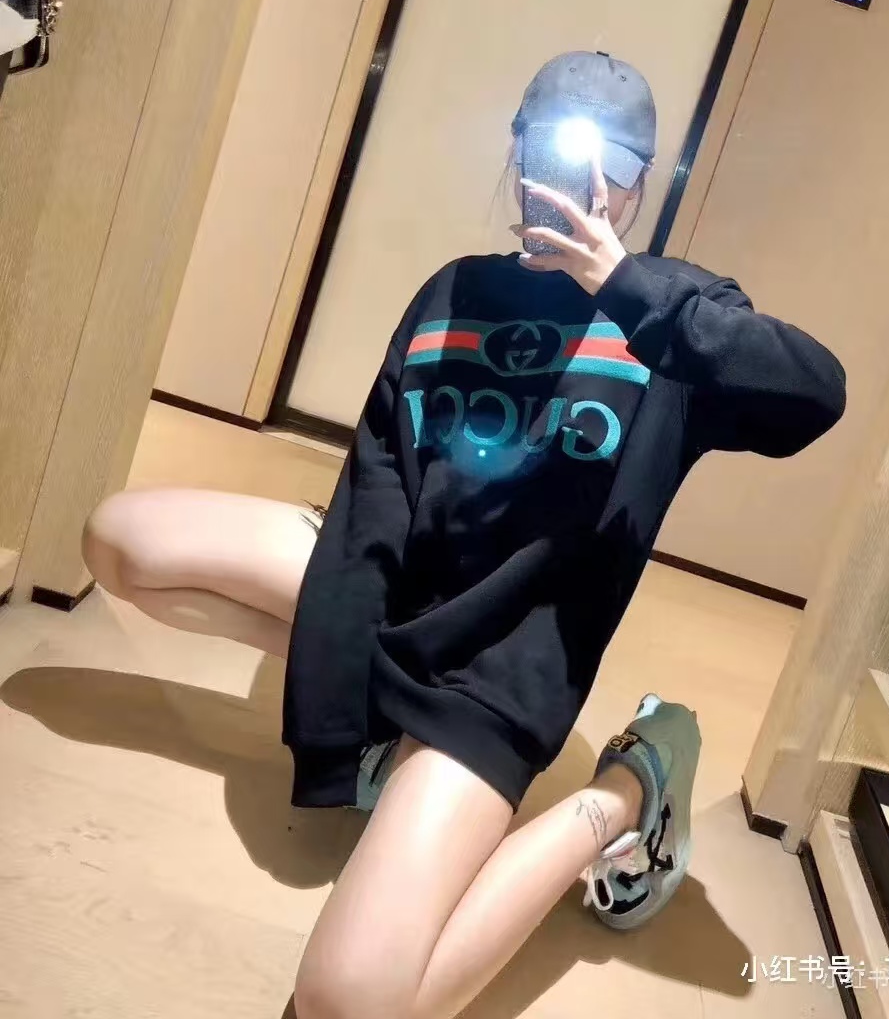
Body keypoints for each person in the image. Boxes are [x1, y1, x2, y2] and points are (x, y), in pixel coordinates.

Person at [83, 52, 846, 1019]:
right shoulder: (454, 290)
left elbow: (815, 394)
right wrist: (335, 699)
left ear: (641, 184)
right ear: (519, 152)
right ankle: (387, 725)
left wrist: (623, 286)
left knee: (347, 1003)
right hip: (401, 588)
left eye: (611, 165)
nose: (581, 183)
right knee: (121, 541)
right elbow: (379, 474)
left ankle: (629, 787)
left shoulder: (671, 317)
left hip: (500, 668)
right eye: (553, 151)